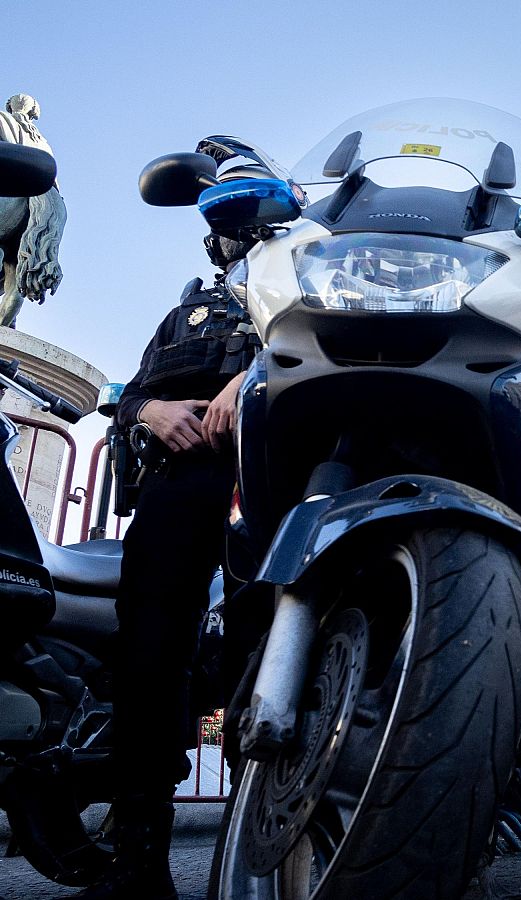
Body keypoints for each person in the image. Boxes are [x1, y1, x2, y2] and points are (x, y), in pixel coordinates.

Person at [74, 167, 263, 900]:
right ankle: (139, 859)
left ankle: (270, 847)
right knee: (148, 653)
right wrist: (147, 412)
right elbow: (133, 393)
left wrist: (249, 382)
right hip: (180, 483)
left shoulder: (307, 273)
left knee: (258, 652)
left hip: (265, 477)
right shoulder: (190, 308)